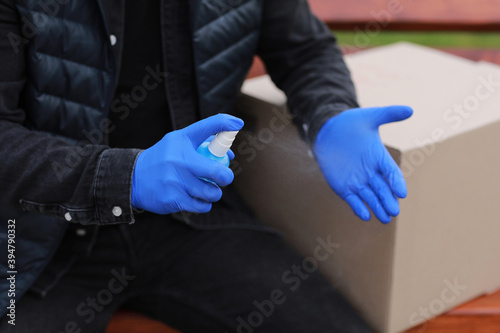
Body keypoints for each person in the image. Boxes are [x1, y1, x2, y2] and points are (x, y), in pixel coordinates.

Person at [0, 0, 412, 332]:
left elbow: (303, 50)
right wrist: (122, 176)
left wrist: (330, 114)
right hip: (37, 239)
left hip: (192, 220)